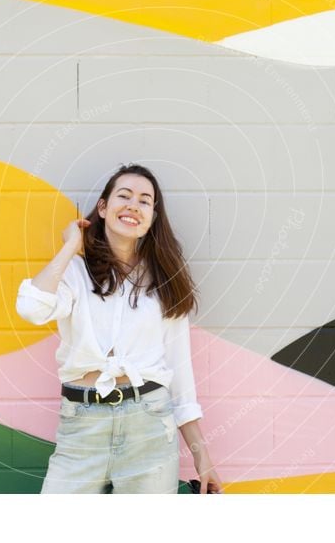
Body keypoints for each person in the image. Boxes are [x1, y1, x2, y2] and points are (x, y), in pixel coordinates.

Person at [16, 163, 223, 494]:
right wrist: (71, 245)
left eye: (145, 201)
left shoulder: (165, 282)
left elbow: (180, 373)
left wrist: (202, 456)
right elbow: (31, 308)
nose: (133, 206)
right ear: (103, 207)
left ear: (152, 218)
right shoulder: (75, 273)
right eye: (123, 196)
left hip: (150, 427)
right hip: (82, 427)